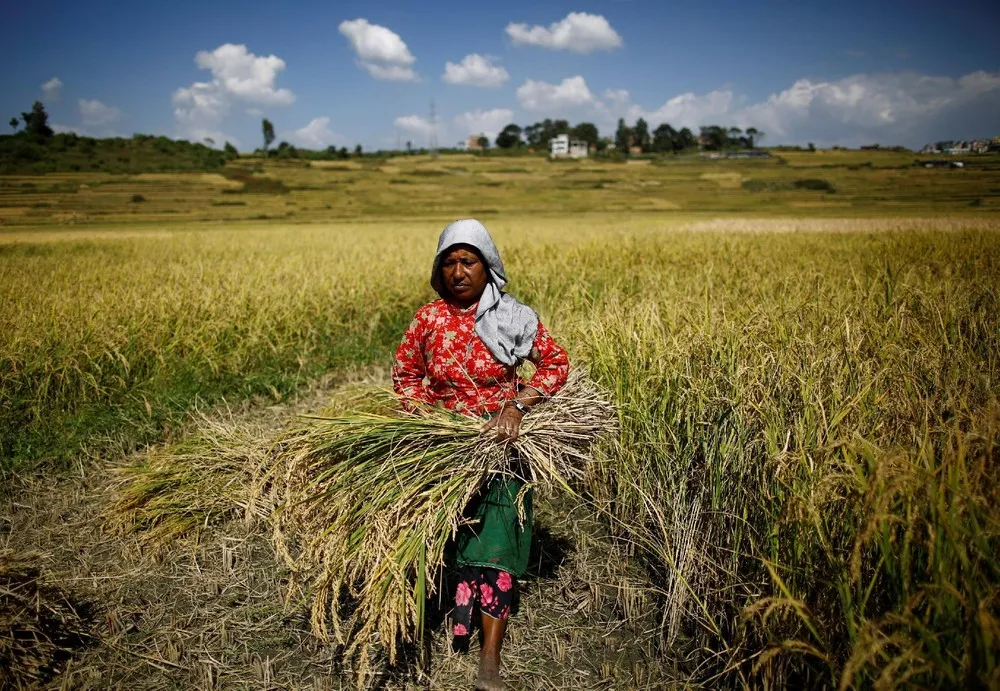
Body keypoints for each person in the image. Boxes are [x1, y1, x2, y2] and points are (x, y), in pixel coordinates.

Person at [392, 219, 569, 690]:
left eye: (468, 261)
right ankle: (458, 610)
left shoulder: (512, 316)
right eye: (448, 262)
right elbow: (405, 376)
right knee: (455, 537)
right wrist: (428, 418)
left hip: (503, 445)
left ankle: (490, 656)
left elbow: (555, 364)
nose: (458, 271)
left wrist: (516, 405)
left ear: (487, 266)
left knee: (498, 544)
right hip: (446, 448)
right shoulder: (427, 321)